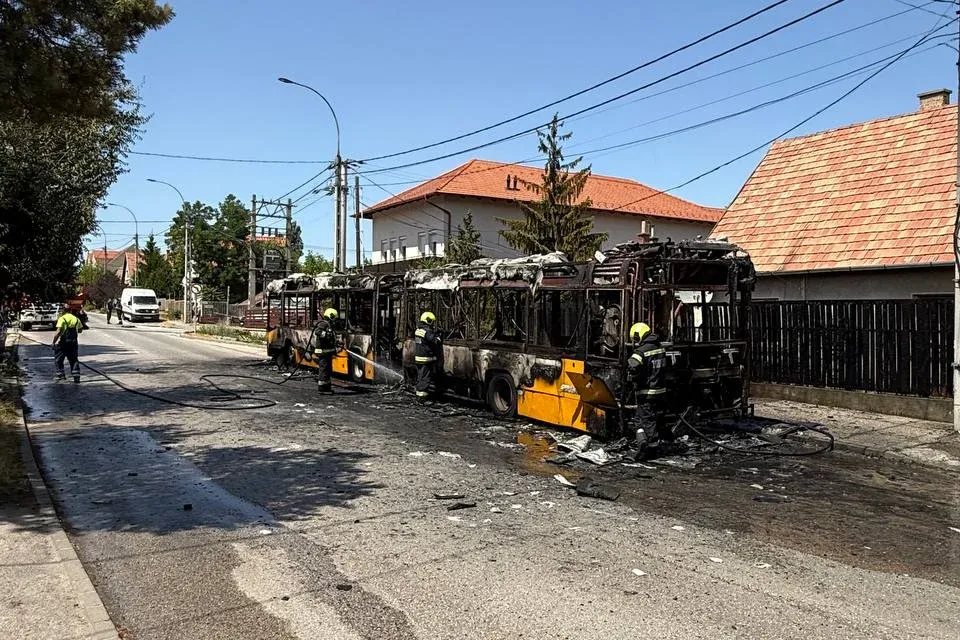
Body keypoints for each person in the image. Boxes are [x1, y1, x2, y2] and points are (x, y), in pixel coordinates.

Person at [626, 322, 667, 447]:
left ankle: (652, 447)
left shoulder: (641, 351)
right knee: (642, 418)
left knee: (647, 420)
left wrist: (634, 377)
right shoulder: (660, 348)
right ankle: (643, 443)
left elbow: (633, 366)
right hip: (660, 390)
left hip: (647, 392)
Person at [414, 311, 442, 401]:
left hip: (418, 358)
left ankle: (419, 396)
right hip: (426, 359)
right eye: (432, 321)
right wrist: (439, 336)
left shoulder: (418, 330)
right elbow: (436, 341)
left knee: (420, 377)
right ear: (428, 320)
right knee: (425, 379)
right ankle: (422, 398)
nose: (432, 324)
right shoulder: (427, 331)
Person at [310, 308, 340, 393]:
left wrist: (336, 342)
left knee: (328, 369)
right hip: (322, 351)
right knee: (324, 369)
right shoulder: (323, 324)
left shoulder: (329, 325)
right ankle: (322, 388)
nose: (335, 320)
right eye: (334, 318)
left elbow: (331, 338)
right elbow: (317, 331)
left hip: (327, 352)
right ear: (331, 316)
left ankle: (327, 387)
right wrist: (326, 335)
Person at [52, 305, 83, 383]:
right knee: (74, 359)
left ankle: (61, 376)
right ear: (70, 310)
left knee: (58, 359)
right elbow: (80, 330)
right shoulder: (76, 319)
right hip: (73, 343)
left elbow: (58, 332)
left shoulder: (62, 319)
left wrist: (53, 342)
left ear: (63, 311)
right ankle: (76, 377)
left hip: (63, 343)